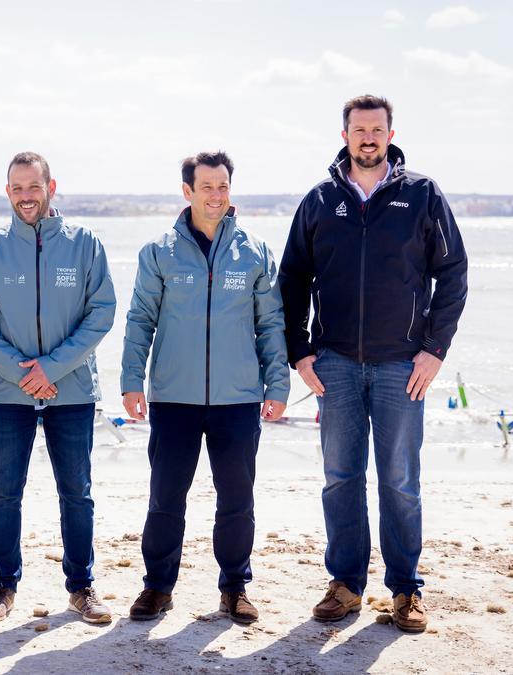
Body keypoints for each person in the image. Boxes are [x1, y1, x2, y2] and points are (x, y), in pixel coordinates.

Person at [277, 95, 468, 633]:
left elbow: (452, 274)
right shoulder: (319, 200)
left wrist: (434, 351)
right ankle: (345, 584)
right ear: (344, 135)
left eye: (376, 129)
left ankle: (406, 591)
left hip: (402, 367)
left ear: (390, 133)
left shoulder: (422, 195)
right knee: (340, 478)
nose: (367, 138)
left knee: (400, 480)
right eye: (358, 129)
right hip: (333, 363)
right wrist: (299, 351)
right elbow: (291, 279)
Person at [121, 152, 289, 624]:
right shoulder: (159, 251)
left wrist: (277, 383)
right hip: (174, 396)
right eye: (207, 186)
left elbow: (270, 324)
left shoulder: (254, 251)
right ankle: (157, 587)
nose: (216, 195)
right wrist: (132, 380)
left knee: (236, 498)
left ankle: (234, 587)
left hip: (238, 398)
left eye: (223, 186)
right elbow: (141, 320)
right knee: (165, 496)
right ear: (187, 192)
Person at [0, 152, 116, 624]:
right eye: (17, 188)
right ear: (7, 192)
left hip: (70, 391)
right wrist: (21, 371)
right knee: (5, 491)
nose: (26, 196)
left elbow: (101, 312)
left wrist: (50, 368)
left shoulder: (84, 243)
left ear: (52, 187)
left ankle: (82, 587)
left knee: (77, 492)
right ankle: (3, 585)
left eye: (34, 186)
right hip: (9, 394)